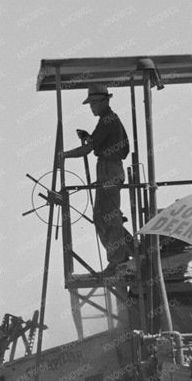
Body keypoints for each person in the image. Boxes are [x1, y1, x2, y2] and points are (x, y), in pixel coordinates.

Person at [59, 85, 136, 272]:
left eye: (94, 103)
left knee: (107, 217)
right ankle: (133, 250)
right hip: (107, 169)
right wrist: (89, 137)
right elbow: (96, 143)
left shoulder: (108, 119)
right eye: (90, 104)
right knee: (106, 216)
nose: (91, 107)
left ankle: (119, 258)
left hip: (110, 169)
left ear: (105, 101)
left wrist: (63, 155)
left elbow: (88, 149)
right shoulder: (107, 120)